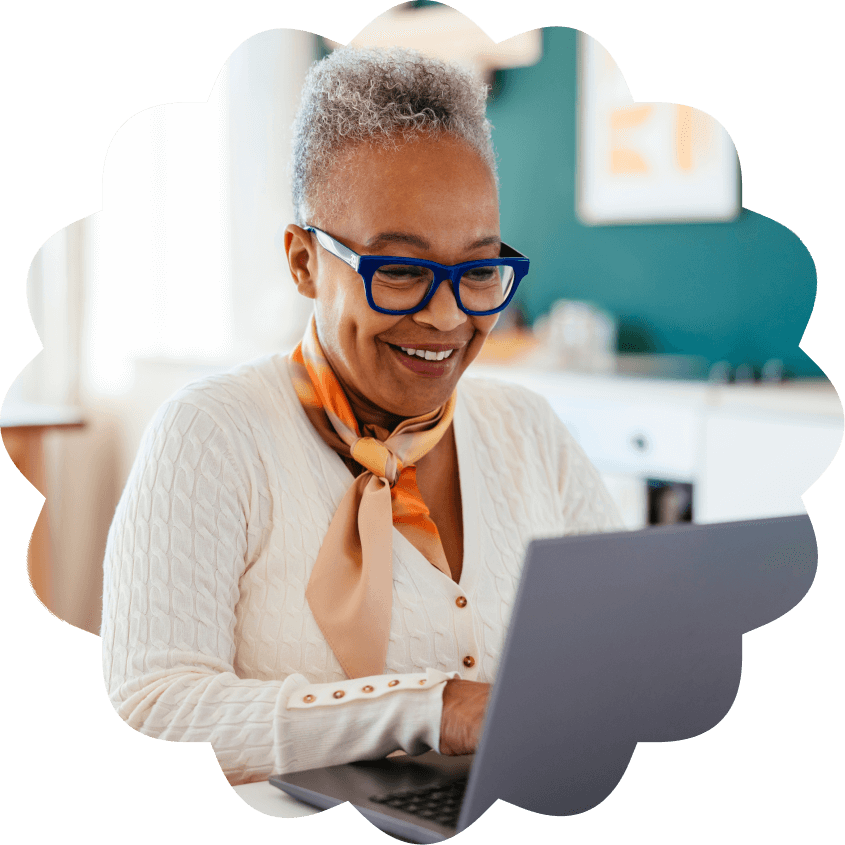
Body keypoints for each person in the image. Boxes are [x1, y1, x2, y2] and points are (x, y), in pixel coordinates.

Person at [101, 45, 625, 787]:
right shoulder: (211, 434)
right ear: (303, 261)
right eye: (401, 269)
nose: (446, 316)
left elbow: (620, 652)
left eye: (477, 270)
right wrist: (426, 707)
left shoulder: (528, 430)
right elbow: (153, 708)